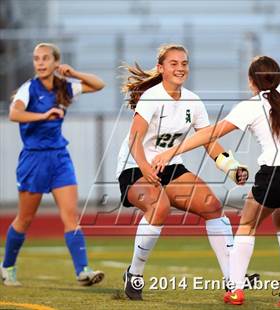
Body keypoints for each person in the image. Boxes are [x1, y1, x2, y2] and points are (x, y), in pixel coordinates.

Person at [152, 45, 280, 307]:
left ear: (251, 81)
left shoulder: (250, 107)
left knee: (246, 225)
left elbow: (210, 134)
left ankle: (235, 290)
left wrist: (173, 151)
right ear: (278, 78)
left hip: (278, 174)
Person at [116, 43, 253, 300]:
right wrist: (146, 168)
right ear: (161, 68)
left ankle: (232, 279)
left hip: (170, 166)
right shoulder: (152, 97)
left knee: (212, 205)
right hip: (135, 166)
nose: (180, 68)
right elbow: (135, 139)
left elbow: (209, 140)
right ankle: (134, 274)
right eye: (174, 63)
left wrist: (232, 167)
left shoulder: (193, 101)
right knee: (159, 208)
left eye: (184, 63)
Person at [1, 43, 106, 287]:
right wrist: (43, 115)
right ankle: (7, 267)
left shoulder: (64, 87)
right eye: (36, 58)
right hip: (34, 160)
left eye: (45, 58)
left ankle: (83, 271)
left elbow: (99, 85)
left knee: (71, 216)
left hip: (59, 158)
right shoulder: (28, 89)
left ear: (55, 62)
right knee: (25, 219)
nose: (39, 63)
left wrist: (74, 73)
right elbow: (14, 115)